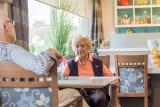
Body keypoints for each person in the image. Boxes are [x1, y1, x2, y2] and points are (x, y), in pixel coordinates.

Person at [0, 13, 89, 107]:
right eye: (12, 23)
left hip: (10, 102)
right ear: (5, 26)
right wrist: (50, 52)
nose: (14, 26)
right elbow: (39, 67)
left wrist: (51, 63)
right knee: (73, 93)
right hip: (32, 102)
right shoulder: (10, 50)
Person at [61, 35, 113, 107]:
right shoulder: (70, 63)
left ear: (88, 47)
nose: (79, 49)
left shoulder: (98, 62)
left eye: (82, 46)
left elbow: (110, 76)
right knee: (73, 100)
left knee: (99, 99)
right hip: (78, 91)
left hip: (95, 90)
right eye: (77, 46)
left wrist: (114, 82)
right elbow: (63, 78)